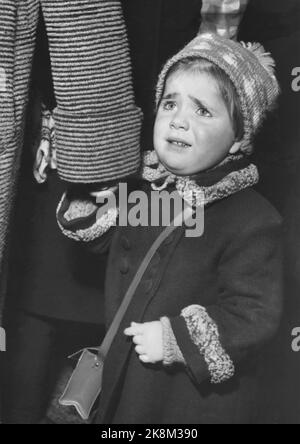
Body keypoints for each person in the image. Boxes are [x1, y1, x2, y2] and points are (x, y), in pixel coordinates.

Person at [57, 34, 283, 424]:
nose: (179, 119)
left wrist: (176, 338)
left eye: (203, 111)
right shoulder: (145, 190)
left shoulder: (253, 218)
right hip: (124, 378)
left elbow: (254, 314)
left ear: (238, 139)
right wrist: (95, 186)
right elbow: (97, 237)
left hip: (186, 401)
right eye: (170, 103)